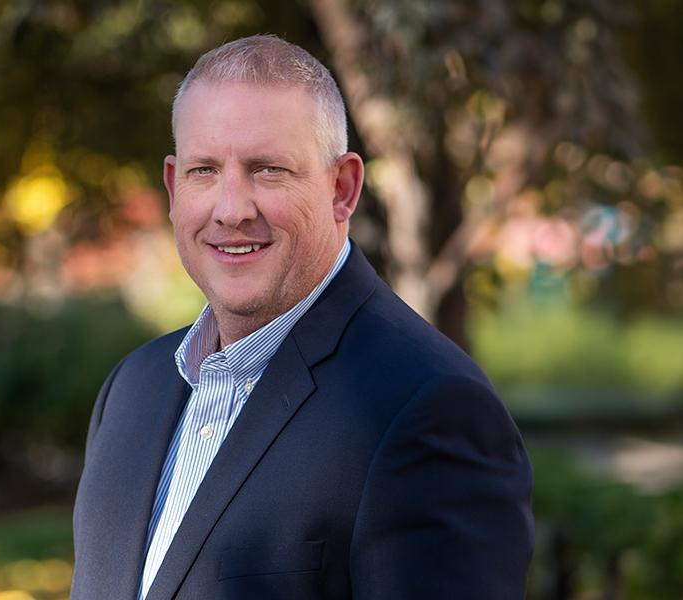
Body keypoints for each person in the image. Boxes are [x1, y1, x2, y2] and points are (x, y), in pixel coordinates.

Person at [71, 35, 533, 600]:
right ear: (172, 187)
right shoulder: (130, 390)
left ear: (342, 189)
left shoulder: (431, 408)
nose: (232, 208)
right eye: (204, 171)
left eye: (268, 170)